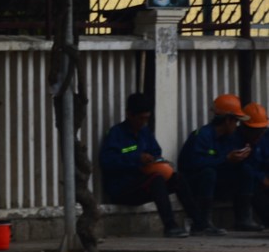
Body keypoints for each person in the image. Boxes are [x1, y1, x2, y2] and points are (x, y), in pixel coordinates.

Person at [99, 93, 206, 237]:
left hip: (144, 183)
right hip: (123, 188)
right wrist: (136, 159)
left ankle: (199, 223)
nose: (143, 122)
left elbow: (156, 151)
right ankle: (170, 226)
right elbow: (107, 161)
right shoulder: (116, 134)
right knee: (156, 180)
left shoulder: (145, 132)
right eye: (140, 118)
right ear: (129, 115)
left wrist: (154, 160)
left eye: (146, 118)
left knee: (177, 178)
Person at [177, 93, 258, 233]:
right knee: (209, 173)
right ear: (227, 120)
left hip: (219, 182)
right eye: (236, 121)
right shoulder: (202, 136)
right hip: (196, 184)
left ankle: (243, 218)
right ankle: (203, 222)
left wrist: (242, 156)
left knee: (247, 170)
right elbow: (192, 164)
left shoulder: (231, 138)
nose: (236, 125)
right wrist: (225, 159)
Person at [238, 101, 269, 229]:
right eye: (254, 131)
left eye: (261, 130)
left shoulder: (266, 138)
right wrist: (262, 178)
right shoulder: (237, 139)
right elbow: (245, 167)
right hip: (253, 183)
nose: (258, 134)